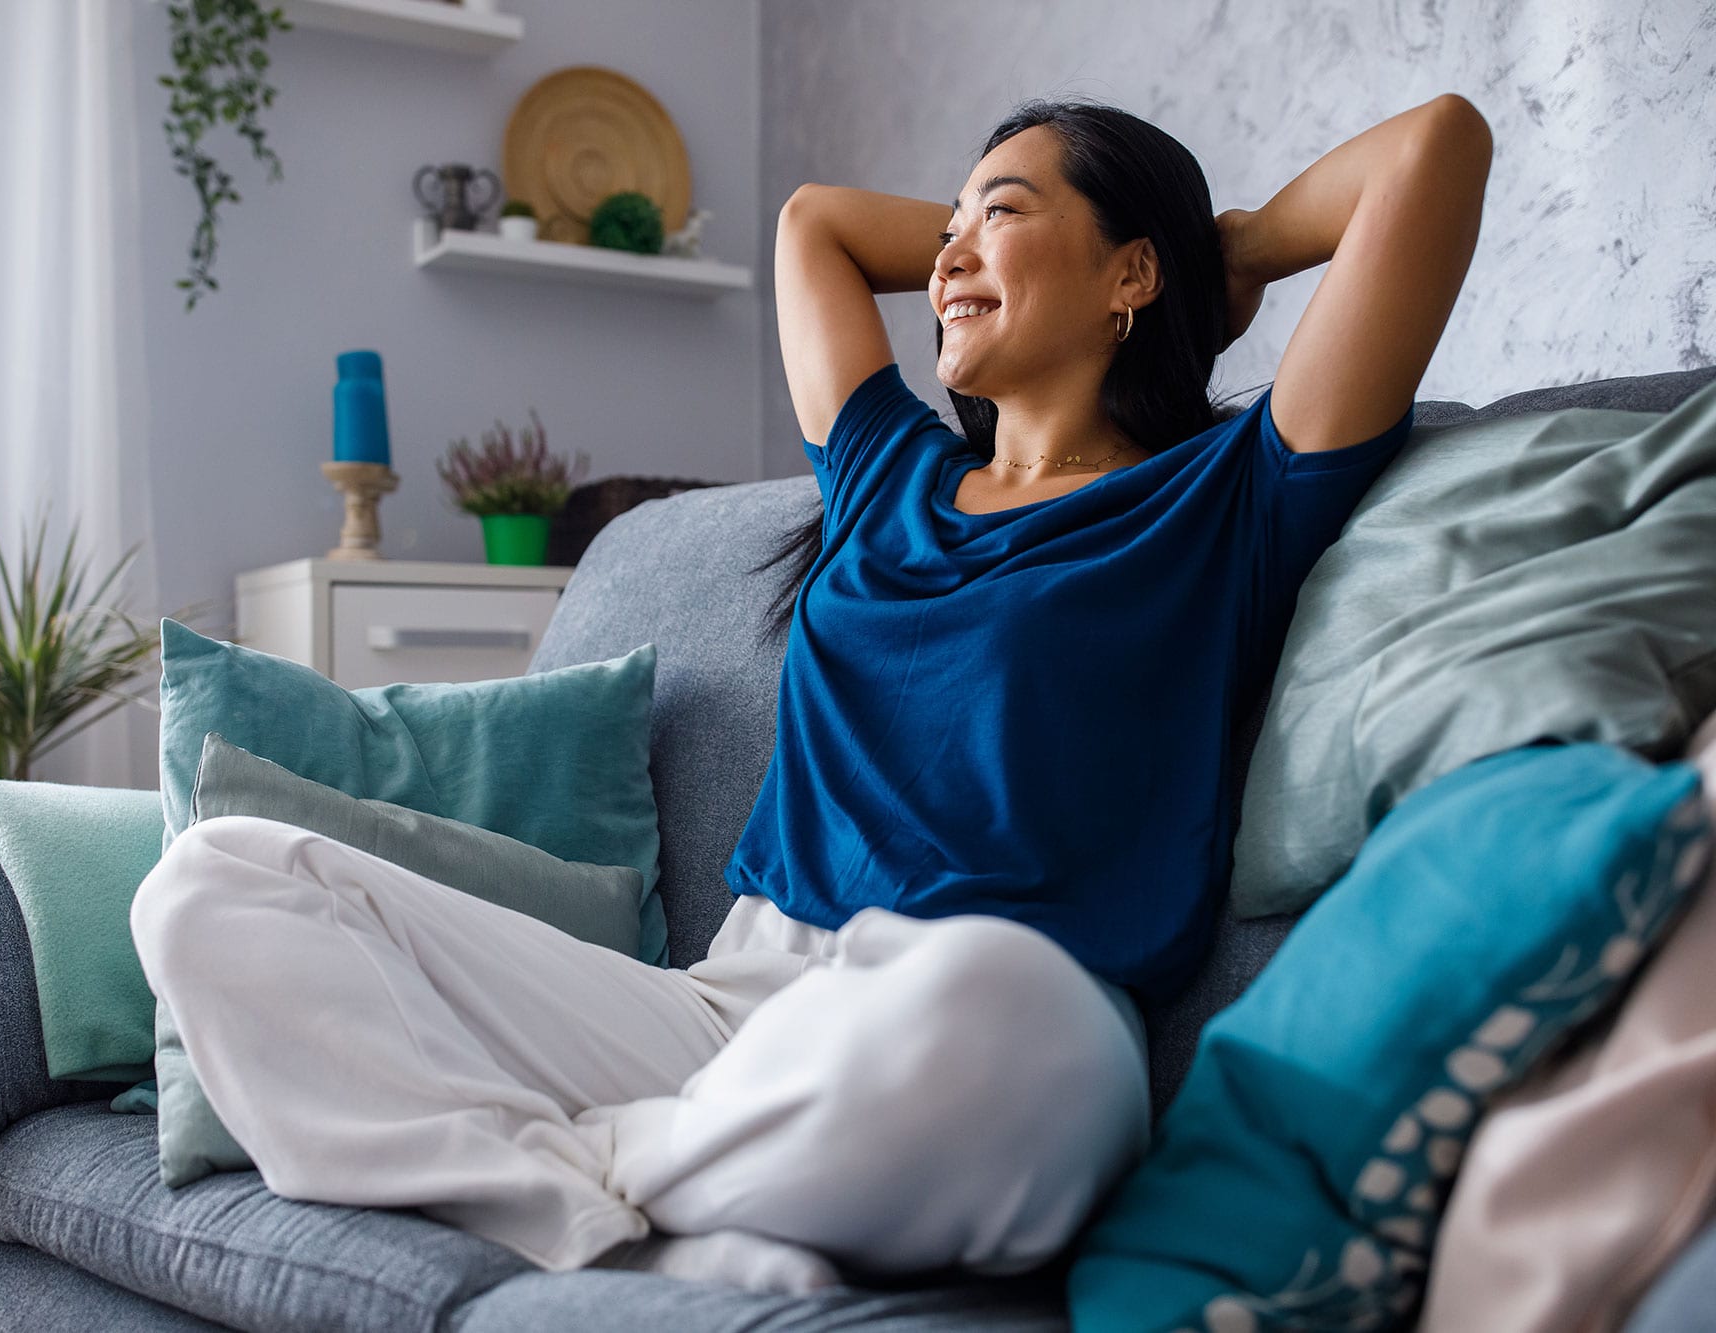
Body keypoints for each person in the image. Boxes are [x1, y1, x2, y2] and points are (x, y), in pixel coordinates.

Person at [130, 93, 1493, 1298]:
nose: (949, 253)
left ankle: (597, 1176)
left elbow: (1433, 150)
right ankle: (645, 1211)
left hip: (994, 1003)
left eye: (999, 214)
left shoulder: (1228, 495)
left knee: (1015, 1021)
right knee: (212, 884)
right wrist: (999, 237)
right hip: (736, 1004)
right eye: (949, 223)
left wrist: (1217, 248)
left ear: (1128, 268)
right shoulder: (884, 476)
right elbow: (813, 227)